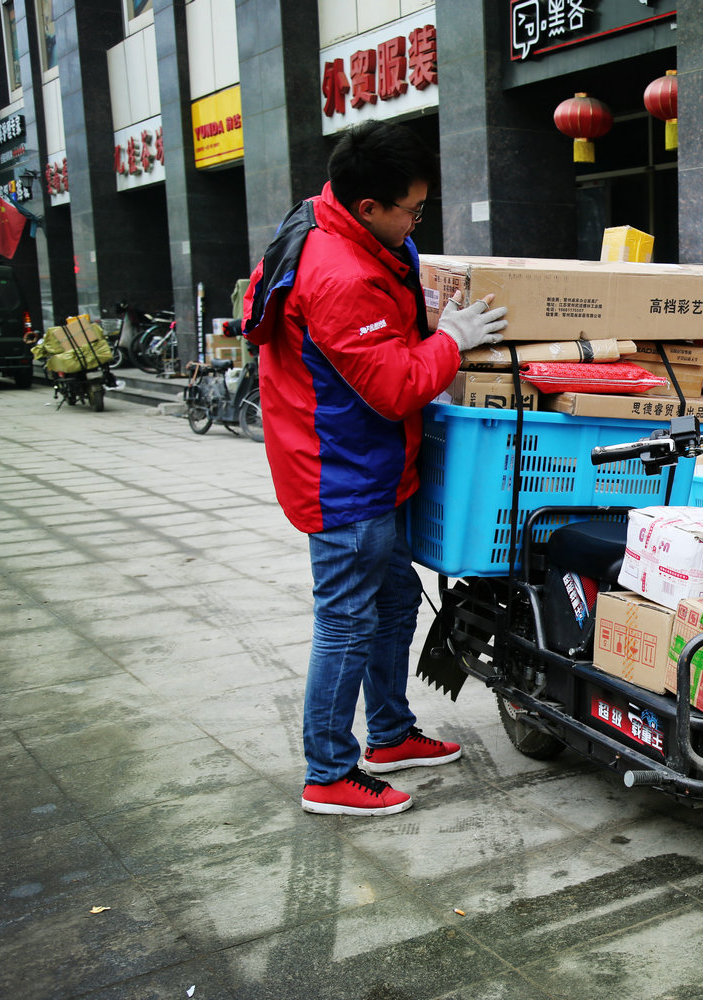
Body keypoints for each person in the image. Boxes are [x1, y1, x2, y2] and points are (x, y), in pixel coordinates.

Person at [242, 120, 509, 817]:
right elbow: (392, 386)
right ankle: (329, 771)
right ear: (367, 207)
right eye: (411, 210)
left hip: (373, 464)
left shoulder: (350, 231)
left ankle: (389, 733)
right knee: (347, 624)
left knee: (392, 605)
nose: (417, 220)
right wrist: (449, 341)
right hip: (341, 477)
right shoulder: (339, 275)